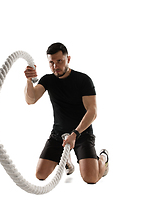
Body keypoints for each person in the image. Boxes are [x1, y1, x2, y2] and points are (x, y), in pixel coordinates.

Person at [24, 42, 109, 184]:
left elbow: (92, 112)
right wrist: (28, 81)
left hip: (82, 134)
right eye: (51, 62)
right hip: (58, 135)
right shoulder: (48, 80)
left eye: (59, 61)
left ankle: (103, 158)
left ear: (68, 59)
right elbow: (30, 100)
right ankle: (66, 159)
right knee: (40, 175)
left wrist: (75, 134)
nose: (55, 66)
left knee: (91, 179)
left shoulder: (83, 80)